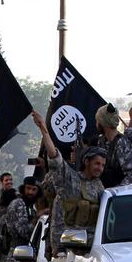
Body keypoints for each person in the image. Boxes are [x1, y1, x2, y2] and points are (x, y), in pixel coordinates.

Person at [33, 109, 106, 254]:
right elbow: (54, 156)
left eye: (103, 165)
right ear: (86, 162)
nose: (100, 168)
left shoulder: (99, 186)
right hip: (65, 251)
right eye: (97, 164)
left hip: (91, 251)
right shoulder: (69, 179)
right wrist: (43, 127)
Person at [0, 176, 43, 262]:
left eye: (34, 189)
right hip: (17, 260)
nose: (30, 192)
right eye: (28, 188)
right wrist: (36, 218)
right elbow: (24, 231)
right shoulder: (19, 204)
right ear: (23, 189)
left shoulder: (29, 206)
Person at [94, 103, 132, 187]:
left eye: (98, 121)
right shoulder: (101, 141)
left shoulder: (122, 143)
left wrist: (117, 191)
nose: (96, 124)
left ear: (103, 123)